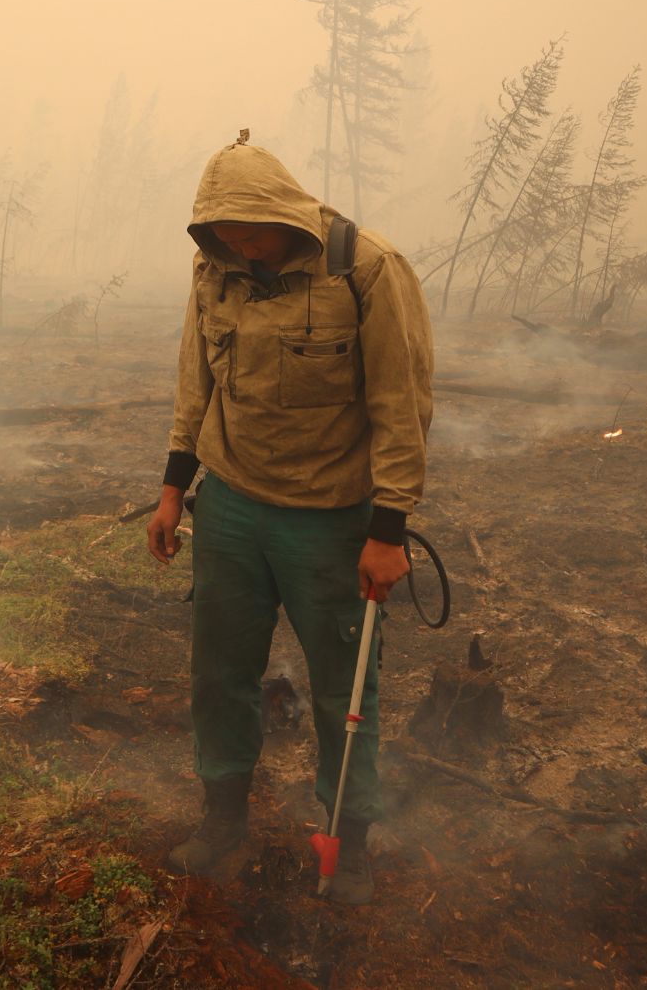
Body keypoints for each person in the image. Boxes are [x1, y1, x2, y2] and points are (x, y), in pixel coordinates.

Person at [147, 133, 433, 905]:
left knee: (346, 690)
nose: (233, 242)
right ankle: (223, 817)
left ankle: (351, 841)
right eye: (219, 230)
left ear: (282, 211)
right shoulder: (216, 272)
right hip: (233, 506)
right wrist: (175, 488)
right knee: (219, 671)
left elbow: (402, 406)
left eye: (244, 226)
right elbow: (193, 377)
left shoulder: (365, 269)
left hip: (331, 519)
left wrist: (388, 529)